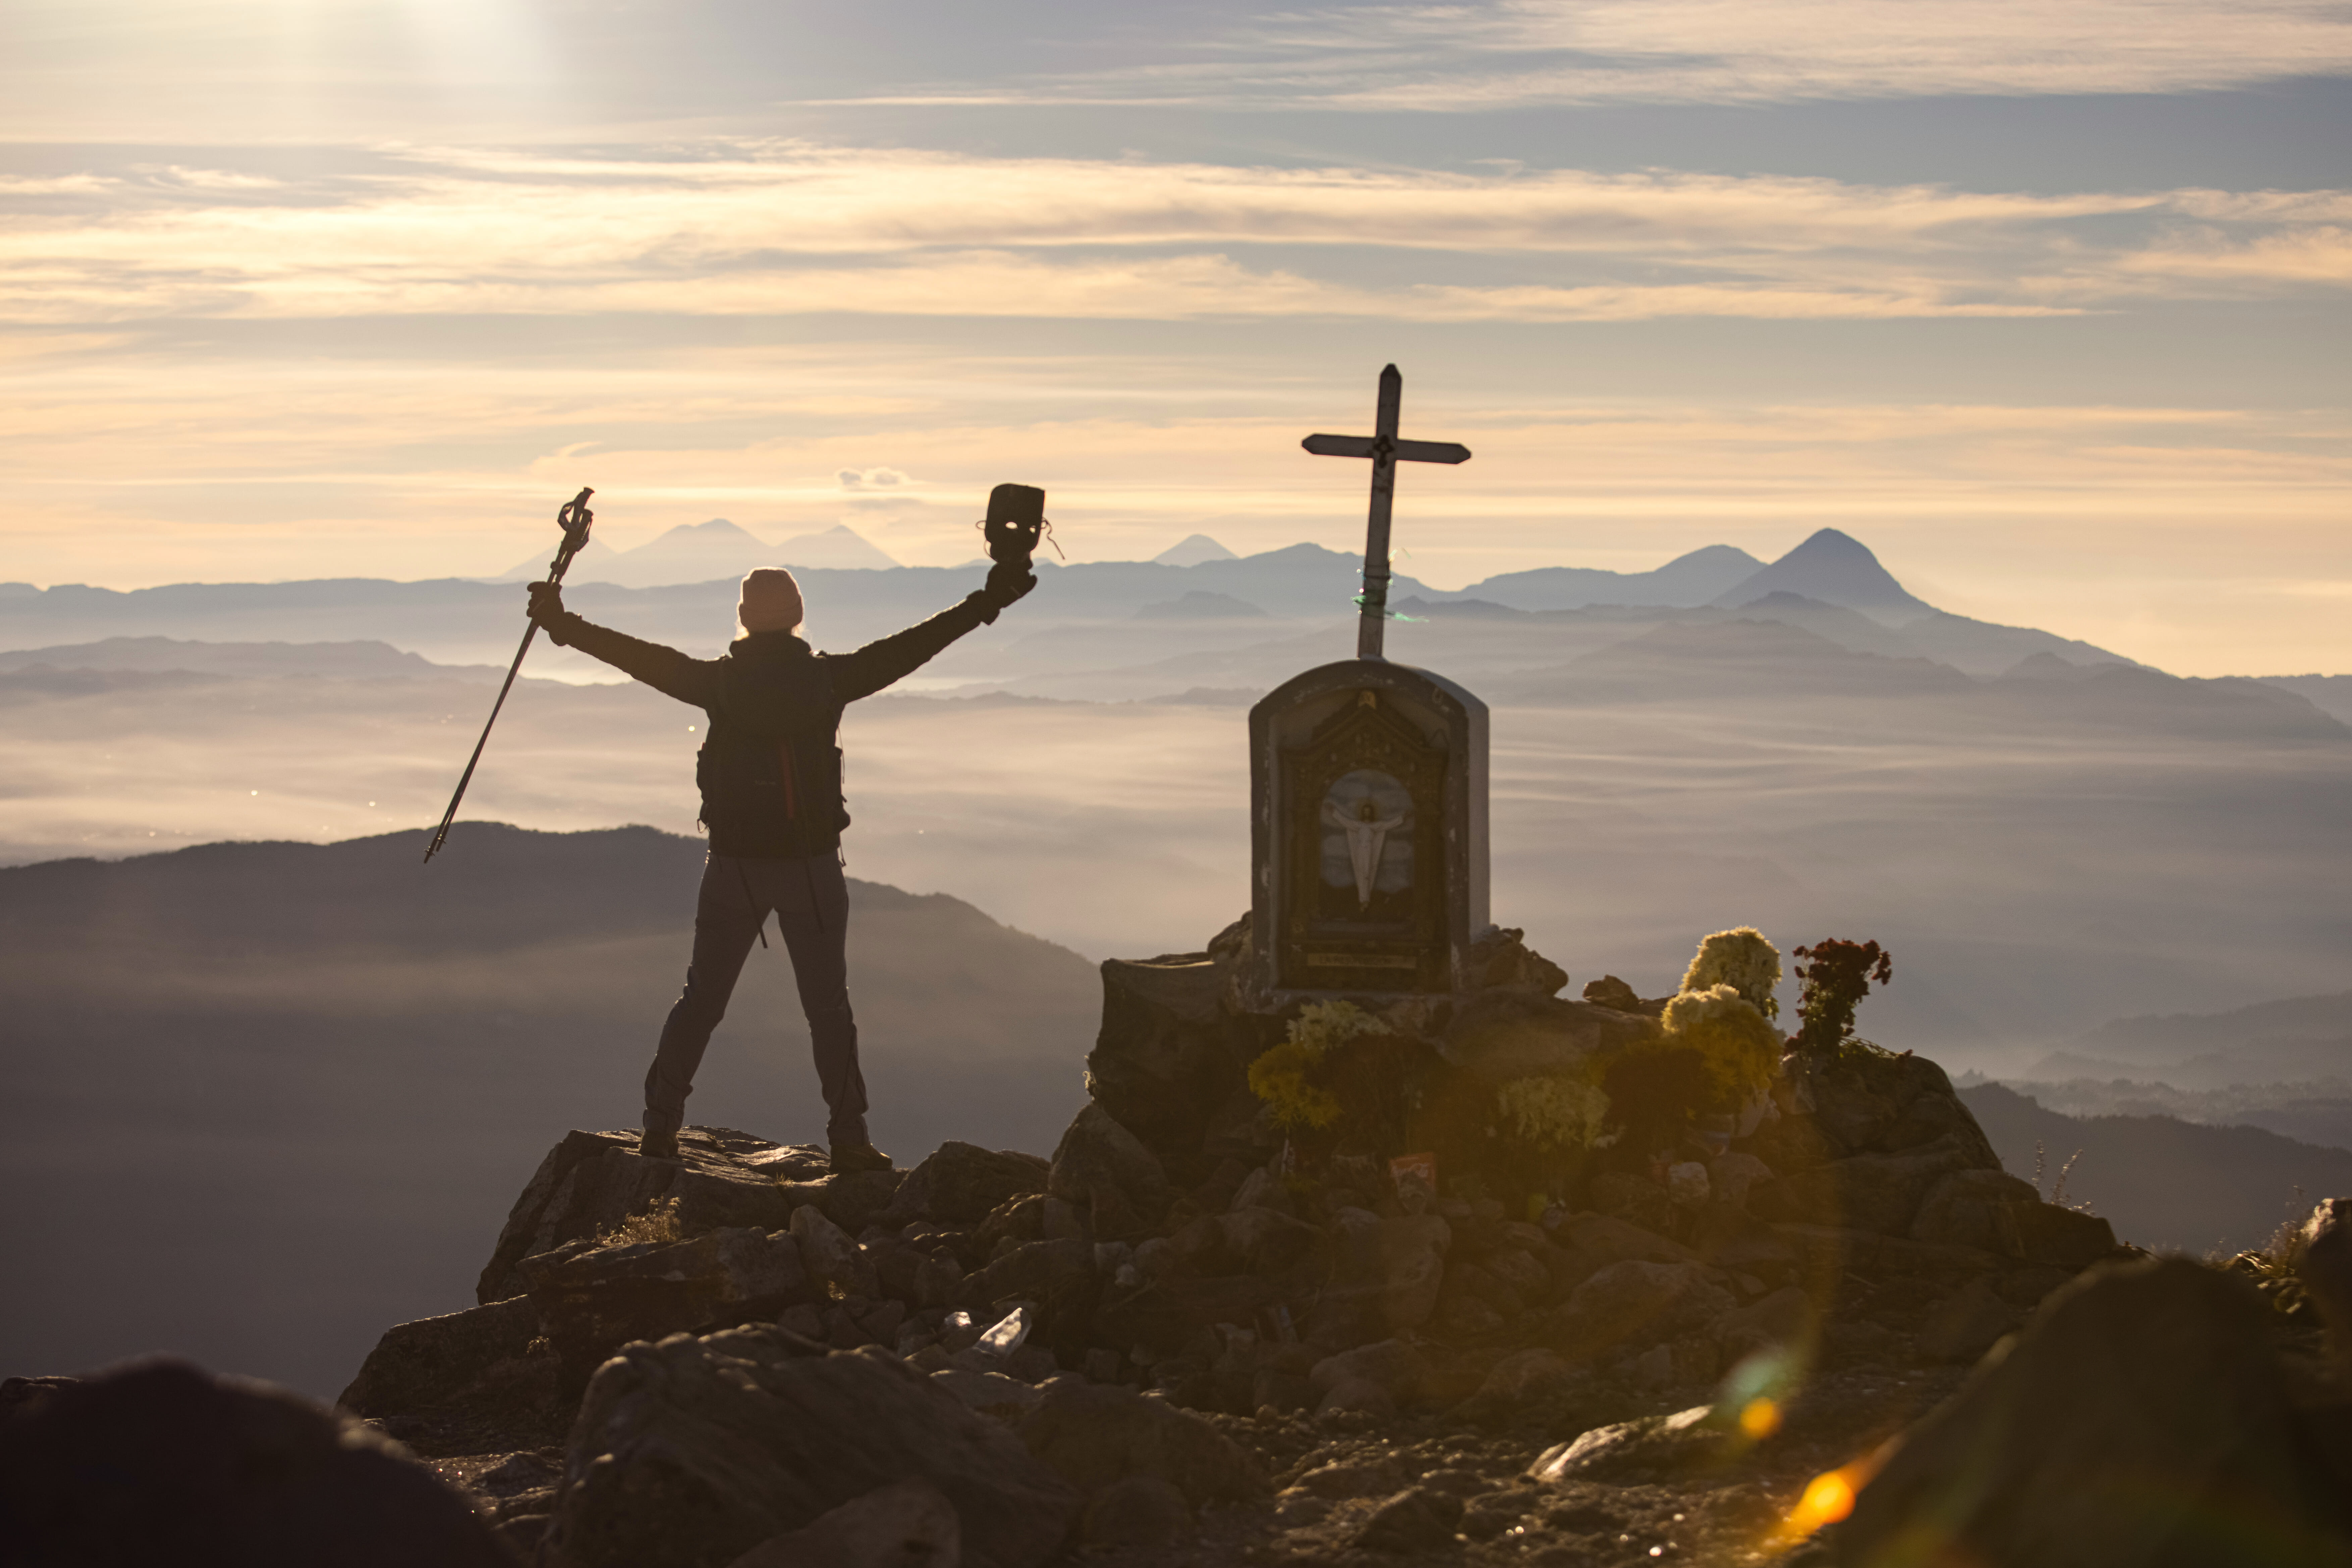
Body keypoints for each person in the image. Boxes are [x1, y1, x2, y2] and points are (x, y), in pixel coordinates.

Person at [522, 532, 1037, 1174]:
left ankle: (659, 1127)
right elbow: (916, 646)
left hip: (733, 867)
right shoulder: (828, 682)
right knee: (829, 1008)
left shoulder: (718, 685)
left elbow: (641, 658)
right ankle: (849, 1137)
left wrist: (563, 626)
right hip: (813, 869)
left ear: (743, 619)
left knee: (701, 1000)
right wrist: (988, 601)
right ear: (797, 615)